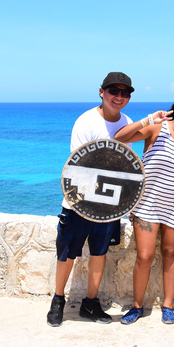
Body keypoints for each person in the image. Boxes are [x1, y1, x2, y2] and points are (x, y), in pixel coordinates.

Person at [47, 71, 135, 327]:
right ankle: (58, 300)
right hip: (79, 202)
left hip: (108, 206)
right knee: (67, 254)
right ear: (102, 92)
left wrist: (127, 201)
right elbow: (80, 164)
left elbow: (125, 167)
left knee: (99, 253)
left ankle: (91, 303)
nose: (118, 97)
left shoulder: (126, 122)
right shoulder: (86, 121)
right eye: (113, 91)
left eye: (124, 93)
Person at [114, 94, 174, 325]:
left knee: (170, 255)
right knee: (144, 256)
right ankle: (137, 307)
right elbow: (120, 137)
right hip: (147, 204)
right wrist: (148, 119)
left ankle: (167, 305)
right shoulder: (157, 129)